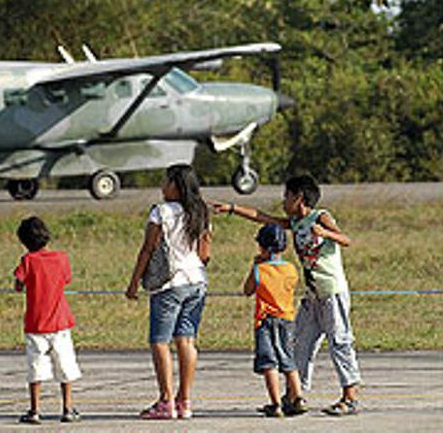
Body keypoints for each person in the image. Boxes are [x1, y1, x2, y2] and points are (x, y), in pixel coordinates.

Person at [211, 174, 362, 416]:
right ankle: (295, 396)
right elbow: (263, 217)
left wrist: (325, 233)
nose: (283, 201)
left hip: (332, 292)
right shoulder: (295, 223)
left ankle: (350, 397)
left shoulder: (320, 216)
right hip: (312, 296)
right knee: (299, 343)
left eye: (287, 196)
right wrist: (232, 208)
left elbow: (346, 240)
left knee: (340, 342)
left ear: (299, 197)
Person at [125, 164, 211, 420]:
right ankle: (184, 401)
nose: (163, 187)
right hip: (197, 281)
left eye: (166, 182)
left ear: (177, 185)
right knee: (186, 340)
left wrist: (133, 283)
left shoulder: (161, 212)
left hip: (169, 284)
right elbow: (205, 254)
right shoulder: (201, 212)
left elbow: (148, 249)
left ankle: (166, 401)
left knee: (160, 341)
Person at [13, 216, 82, 424]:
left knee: (36, 367)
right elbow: (66, 279)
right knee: (65, 366)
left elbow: (18, 284)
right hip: (60, 323)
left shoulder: (27, 261)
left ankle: (35, 411)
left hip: (36, 324)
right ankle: (68, 408)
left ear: (24, 242)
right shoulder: (61, 258)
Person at [242, 224, 307, 417]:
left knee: (269, 362)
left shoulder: (260, 270)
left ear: (262, 247)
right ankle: (298, 397)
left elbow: (247, 290)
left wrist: (256, 265)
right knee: (288, 360)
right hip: (287, 320)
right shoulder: (291, 269)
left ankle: (276, 403)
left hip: (265, 321)